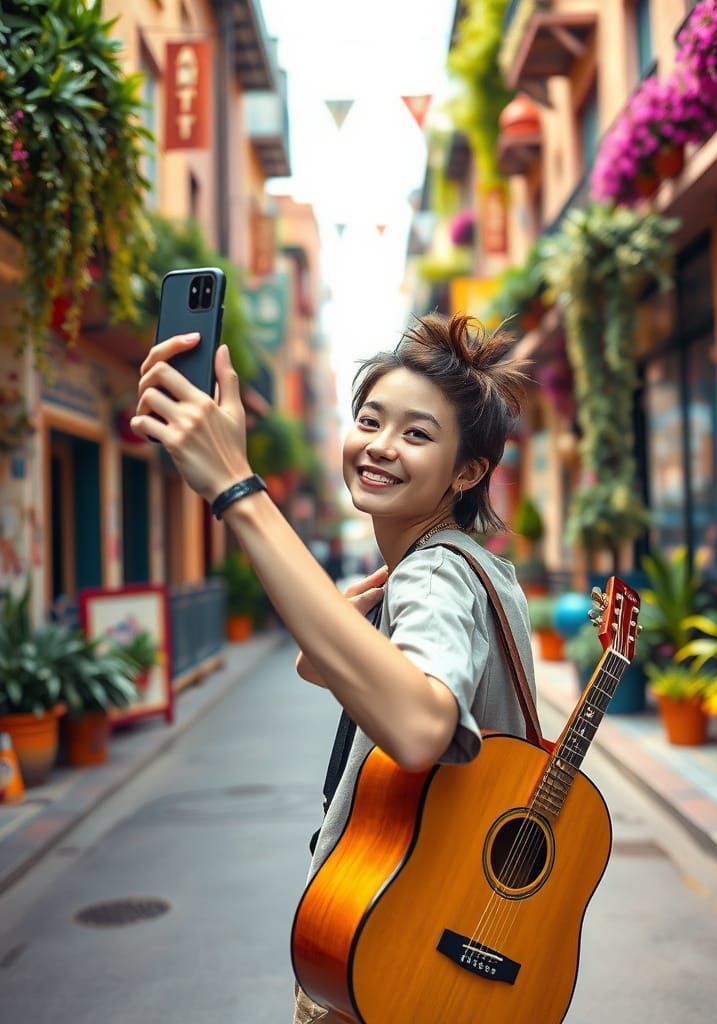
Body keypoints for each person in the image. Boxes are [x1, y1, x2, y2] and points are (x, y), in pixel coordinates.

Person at [131, 312, 538, 1024]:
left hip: (392, 945)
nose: (380, 445)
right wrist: (336, 641)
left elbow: (420, 727)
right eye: (370, 420)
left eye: (417, 434)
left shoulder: (433, 575)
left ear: (468, 471)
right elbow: (393, 677)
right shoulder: (483, 571)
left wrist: (236, 488)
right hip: (454, 932)